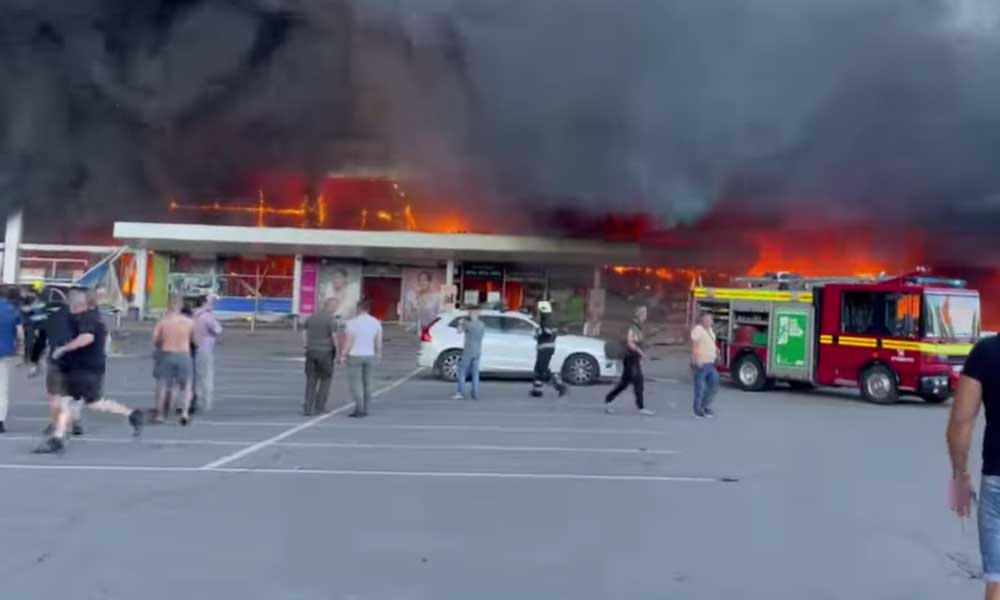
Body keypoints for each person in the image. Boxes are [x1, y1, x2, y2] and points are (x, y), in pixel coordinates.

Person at [34, 289, 142, 453]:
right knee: (71, 401)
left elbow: (87, 338)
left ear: (80, 304)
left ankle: (131, 414)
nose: (69, 307)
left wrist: (64, 349)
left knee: (90, 403)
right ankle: (58, 437)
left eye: (72, 304)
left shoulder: (89, 318)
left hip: (87, 368)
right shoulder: (86, 317)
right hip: (80, 367)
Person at [947, 333, 1000, 599]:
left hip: (997, 479)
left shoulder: (985, 352)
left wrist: (960, 476)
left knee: (997, 581)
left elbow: (961, 422)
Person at [29, 294, 83, 436]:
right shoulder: (78, 314)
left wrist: (34, 361)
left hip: (56, 358)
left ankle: (55, 424)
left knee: (55, 394)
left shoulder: (47, 317)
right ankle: (75, 421)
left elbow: (40, 342)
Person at [152, 297, 195, 425]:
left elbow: (155, 339)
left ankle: (160, 414)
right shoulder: (189, 322)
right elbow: (194, 340)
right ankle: (185, 413)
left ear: (169, 306)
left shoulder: (163, 322)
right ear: (181, 307)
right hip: (184, 353)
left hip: (167, 353)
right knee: (187, 385)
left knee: (163, 385)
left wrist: (162, 343)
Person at [605, 305, 653, 416]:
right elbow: (630, 343)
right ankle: (640, 407)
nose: (645, 316)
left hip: (633, 358)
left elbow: (638, 341)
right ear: (638, 315)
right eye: (644, 314)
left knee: (625, 383)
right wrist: (642, 353)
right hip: (630, 358)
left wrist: (643, 349)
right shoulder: (632, 327)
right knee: (638, 382)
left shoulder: (638, 327)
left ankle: (609, 399)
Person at [340, 299, 382, 418]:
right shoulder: (376, 322)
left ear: (358, 308)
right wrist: (378, 353)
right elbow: (378, 342)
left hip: (355, 355)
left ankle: (359, 408)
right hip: (370, 355)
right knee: (368, 383)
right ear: (368, 309)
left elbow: (349, 341)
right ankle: (366, 408)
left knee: (356, 384)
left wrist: (343, 354)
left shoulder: (352, 323)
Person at [303, 297, 340, 416]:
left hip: (311, 352)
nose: (336, 309)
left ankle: (307, 407)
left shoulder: (311, 317)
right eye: (335, 306)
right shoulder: (331, 320)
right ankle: (319, 407)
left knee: (311, 380)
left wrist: (306, 346)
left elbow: (304, 332)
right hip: (325, 353)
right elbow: (334, 337)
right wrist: (338, 353)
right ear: (331, 306)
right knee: (326, 379)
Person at [530, 300, 567, 398]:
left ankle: (560, 386)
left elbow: (545, 333)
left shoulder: (546, 321)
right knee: (539, 368)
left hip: (545, 347)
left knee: (543, 369)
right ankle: (536, 390)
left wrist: (539, 332)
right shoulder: (549, 320)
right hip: (546, 347)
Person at [192, 295, 223, 412]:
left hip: (192, 348)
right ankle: (206, 402)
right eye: (210, 302)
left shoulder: (192, 314)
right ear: (204, 303)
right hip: (205, 349)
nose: (212, 304)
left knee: (196, 377)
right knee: (206, 376)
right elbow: (217, 329)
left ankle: (195, 399)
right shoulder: (207, 316)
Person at [0, 288, 23, 433]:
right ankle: (0, 421)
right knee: (2, 389)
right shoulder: (13, 310)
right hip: (4, 353)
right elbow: (20, 333)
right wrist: (21, 351)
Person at [691, 312, 720, 418]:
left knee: (713, 385)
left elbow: (711, 343)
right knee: (700, 388)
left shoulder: (710, 330)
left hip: (710, 363)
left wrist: (717, 352)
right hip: (701, 363)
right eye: (706, 320)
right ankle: (697, 410)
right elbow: (695, 345)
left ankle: (704, 406)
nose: (708, 321)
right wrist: (695, 359)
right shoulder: (698, 329)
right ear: (702, 320)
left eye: (710, 320)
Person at [453, 305, 485, 401]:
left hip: (468, 351)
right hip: (478, 351)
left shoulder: (468, 324)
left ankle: (460, 393)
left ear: (472, 313)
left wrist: (460, 323)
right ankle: (475, 393)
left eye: (470, 312)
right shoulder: (482, 324)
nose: (469, 314)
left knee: (462, 371)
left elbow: (458, 331)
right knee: (475, 373)